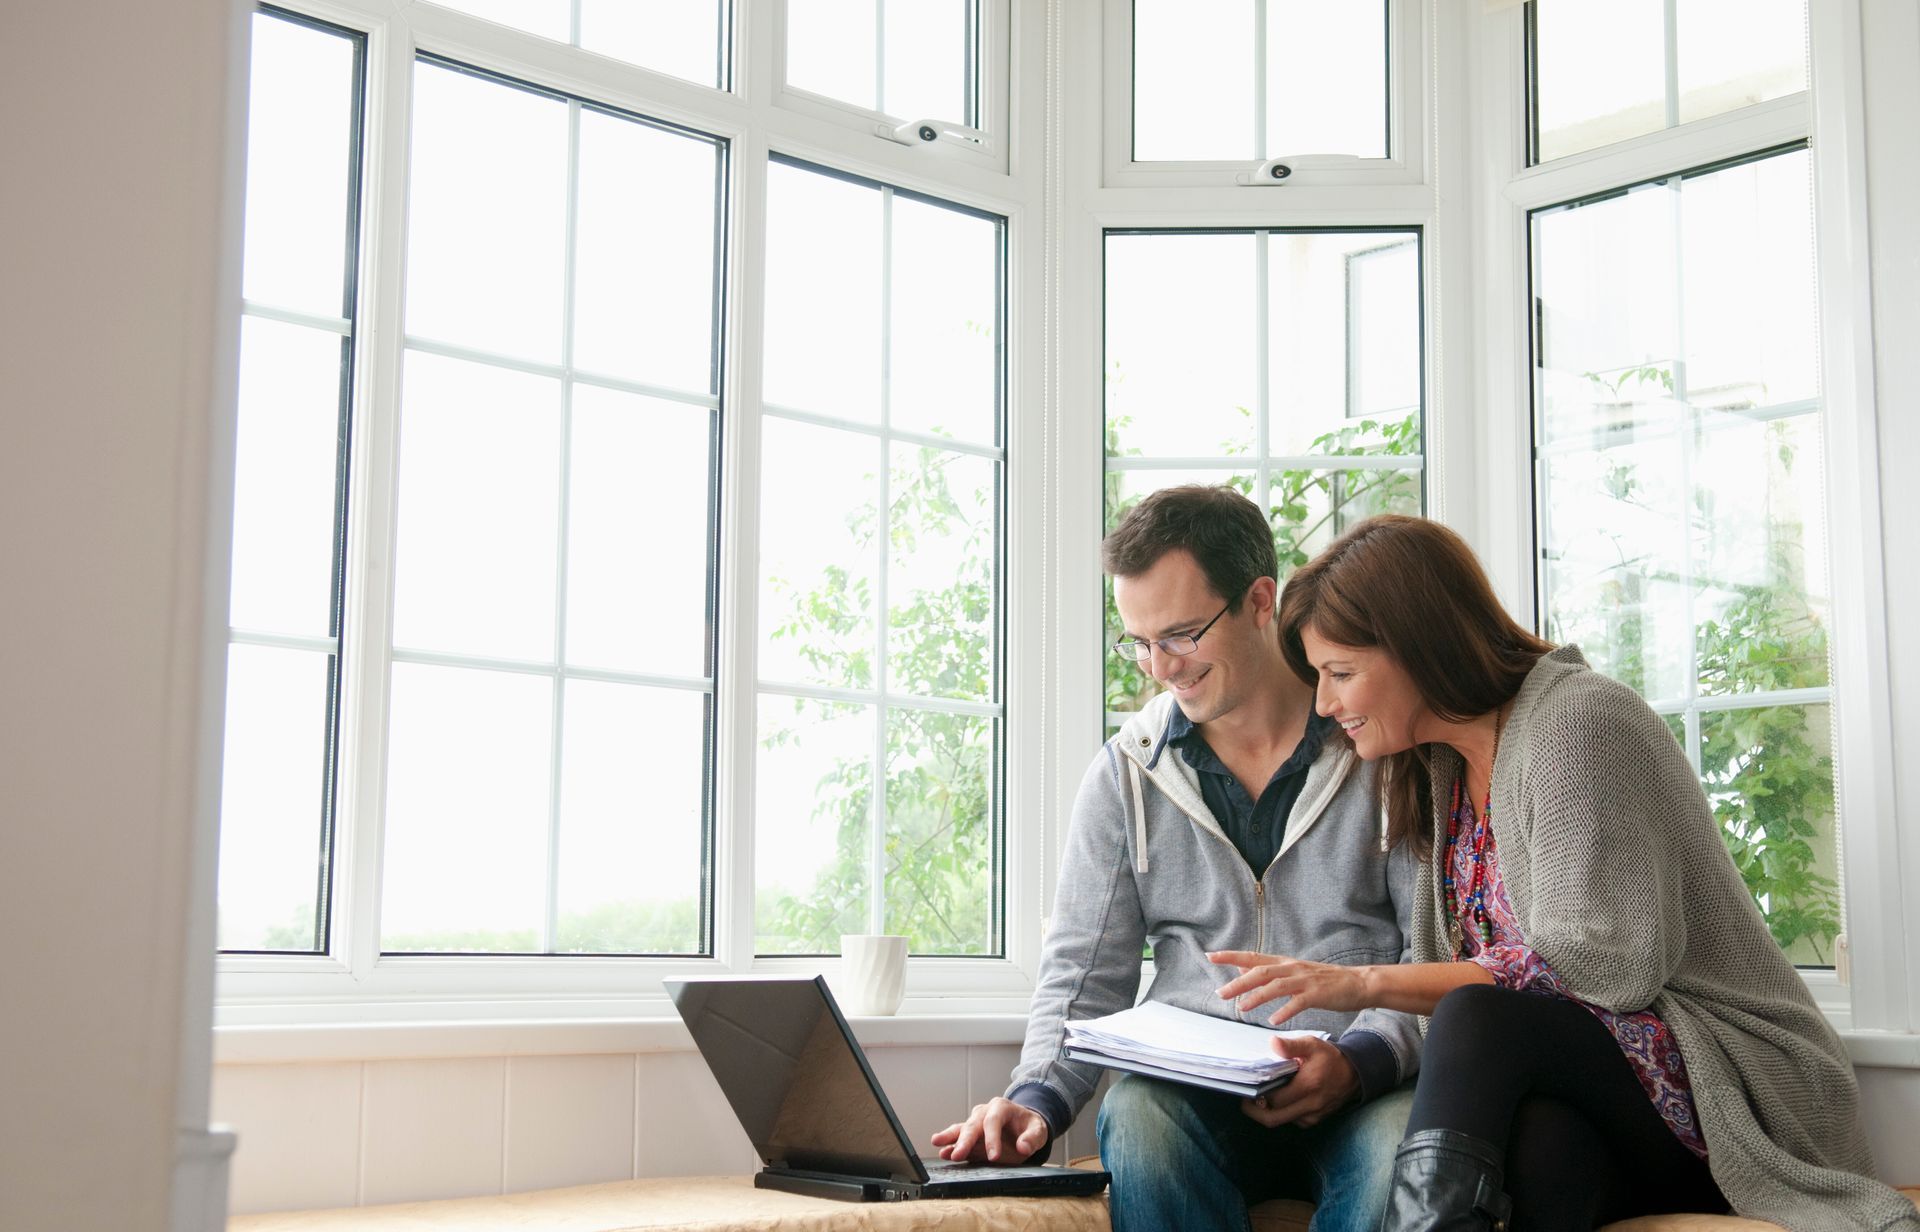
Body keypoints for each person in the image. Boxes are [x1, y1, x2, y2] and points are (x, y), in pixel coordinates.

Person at [1208, 513, 1917, 1231]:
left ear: (1419, 647)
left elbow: (1604, 966)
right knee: (1542, 1150)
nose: (1325, 705)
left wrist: (1363, 982)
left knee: (1476, 1015)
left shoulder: (1577, 722)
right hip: (1618, 1111)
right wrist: (1355, 1059)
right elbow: (1462, 990)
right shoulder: (1441, 772)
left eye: (1340, 674)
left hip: (1736, 1088)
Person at [930, 485, 1424, 1232]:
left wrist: (1362, 1061)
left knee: (1403, 1145)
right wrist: (1034, 1099)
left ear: (1261, 600)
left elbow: (1438, 950)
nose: (1158, 668)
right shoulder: (1127, 771)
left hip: (1365, 1085)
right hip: (1195, 1096)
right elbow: (1082, 971)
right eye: (1138, 641)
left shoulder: (1379, 747)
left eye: (1181, 635)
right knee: (1136, 1115)